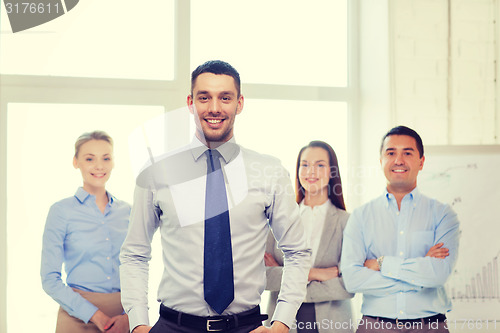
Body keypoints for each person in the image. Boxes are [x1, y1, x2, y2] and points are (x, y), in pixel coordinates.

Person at [119, 60, 311, 333]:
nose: (214, 108)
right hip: (174, 326)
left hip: (246, 327)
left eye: (225, 97)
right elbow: (134, 253)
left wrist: (281, 324)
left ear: (240, 103)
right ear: (190, 102)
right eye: (204, 97)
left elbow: (297, 251)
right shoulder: (156, 173)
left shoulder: (268, 171)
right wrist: (138, 324)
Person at [340, 126, 460, 333]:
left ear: (421, 162)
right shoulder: (360, 216)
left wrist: (382, 263)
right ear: (380, 161)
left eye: (407, 153)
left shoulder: (443, 215)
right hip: (375, 326)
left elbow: (438, 274)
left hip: (430, 326)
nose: (398, 160)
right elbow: (352, 279)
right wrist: (420, 276)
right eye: (391, 153)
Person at [41, 130, 131, 333]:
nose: (99, 166)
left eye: (106, 158)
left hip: (122, 317)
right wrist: (95, 315)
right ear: (76, 162)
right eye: (90, 158)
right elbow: (49, 279)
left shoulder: (128, 211)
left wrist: (130, 317)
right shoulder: (61, 211)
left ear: (113, 162)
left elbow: (138, 268)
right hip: (76, 316)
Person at [265, 141, 354, 333]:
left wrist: (288, 275)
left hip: (333, 322)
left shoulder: (347, 222)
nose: (311, 171)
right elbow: (262, 276)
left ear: (332, 172)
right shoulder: (278, 218)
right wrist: (316, 274)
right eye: (305, 165)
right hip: (282, 322)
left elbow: (348, 284)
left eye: (320, 165)